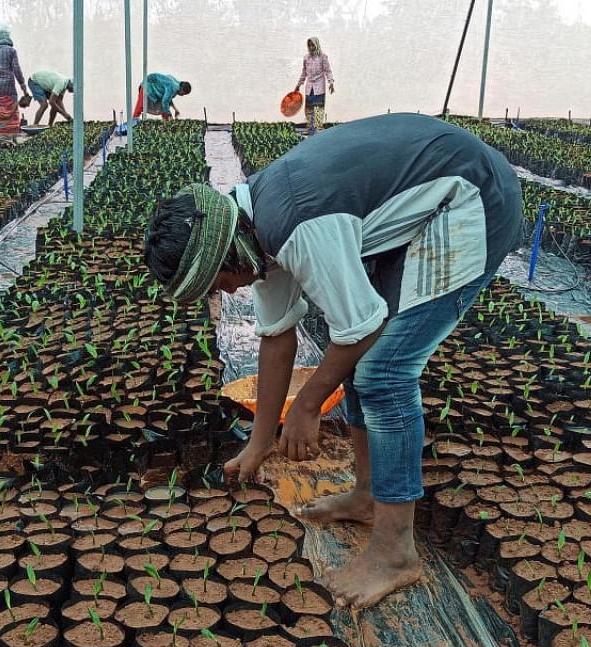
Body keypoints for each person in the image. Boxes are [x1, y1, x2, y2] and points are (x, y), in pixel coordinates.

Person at [143, 114, 525, 610]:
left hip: (469, 200)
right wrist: (259, 445)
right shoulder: (252, 228)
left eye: (221, 282)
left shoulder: (298, 227)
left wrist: (307, 406)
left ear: (228, 252)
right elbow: (277, 338)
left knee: (385, 372)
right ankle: (367, 497)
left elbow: (362, 327)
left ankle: (394, 551)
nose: (230, 290)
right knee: (366, 364)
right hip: (419, 207)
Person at [294, 37, 334, 135]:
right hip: (309, 86)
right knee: (309, 108)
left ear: (316, 45)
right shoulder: (306, 58)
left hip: (319, 85)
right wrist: (298, 85)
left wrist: (331, 82)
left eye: (312, 45)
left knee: (319, 108)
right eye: (309, 45)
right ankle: (310, 128)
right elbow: (304, 73)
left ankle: (319, 129)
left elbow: (328, 71)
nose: (311, 47)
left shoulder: (323, 57)